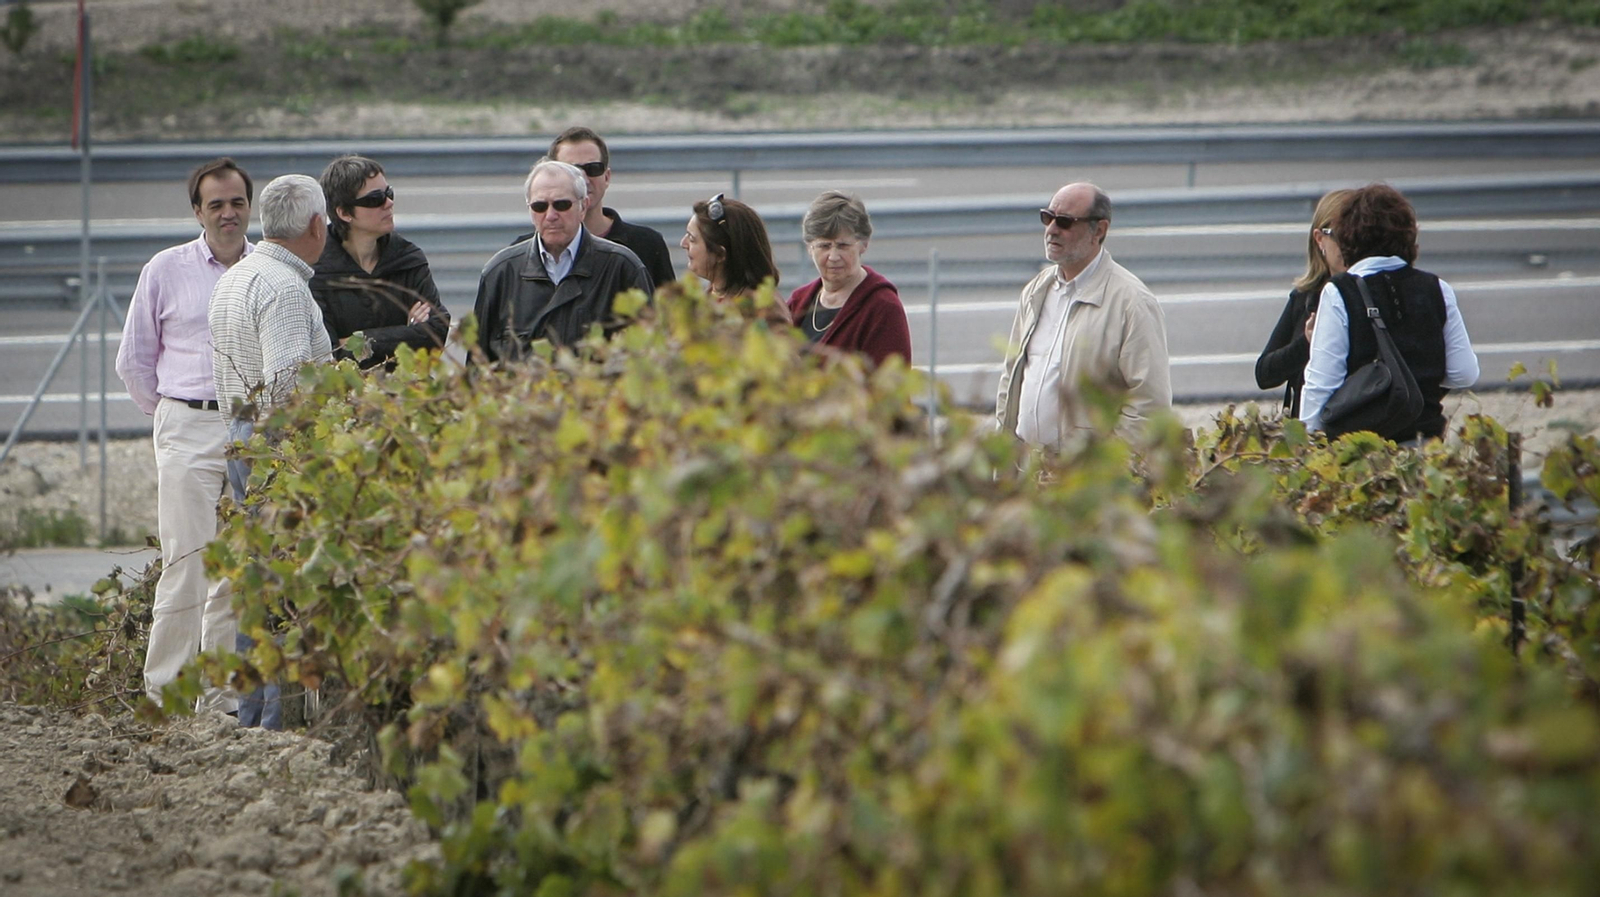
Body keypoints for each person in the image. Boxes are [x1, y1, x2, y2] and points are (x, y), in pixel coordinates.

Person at [115, 157, 254, 716]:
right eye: (216, 204)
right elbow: (134, 361)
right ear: (198, 211)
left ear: (250, 206)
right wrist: (174, 416)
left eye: (237, 202)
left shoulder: (265, 270)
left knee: (236, 574)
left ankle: (219, 709)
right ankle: (167, 702)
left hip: (248, 427)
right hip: (187, 424)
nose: (228, 213)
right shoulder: (166, 269)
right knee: (186, 565)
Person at [209, 173, 336, 729]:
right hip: (277, 449)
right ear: (315, 225)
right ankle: (275, 725)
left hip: (240, 439)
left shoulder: (237, 277)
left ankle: (253, 713)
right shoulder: (284, 289)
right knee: (283, 588)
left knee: (256, 584)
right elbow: (286, 386)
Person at [994, 182, 1172, 446]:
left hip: (1084, 481)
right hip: (1027, 472)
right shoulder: (1036, 291)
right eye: (1047, 218)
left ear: (1099, 230)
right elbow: (1012, 378)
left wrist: (1099, 472)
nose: (1051, 230)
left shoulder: (1132, 302)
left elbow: (1150, 406)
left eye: (1065, 222)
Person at [1300, 183, 1479, 442]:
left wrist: (1307, 445)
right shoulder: (1436, 288)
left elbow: (1322, 383)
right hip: (1425, 442)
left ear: (1349, 237)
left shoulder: (1340, 292)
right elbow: (1464, 372)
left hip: (1363, 447)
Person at [475, 160, 654, 362]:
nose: (551, 216)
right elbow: (477, 367)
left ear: (583, 206)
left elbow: (649, 358)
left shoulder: (622, 268)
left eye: (562, 205)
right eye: (540, 206)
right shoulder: (500, 273)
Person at [311, 154, 448, 369]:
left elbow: (437, 332)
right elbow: (328, 353)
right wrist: (407, 331)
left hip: (408, 391)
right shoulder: (317, 270)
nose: (389, 203)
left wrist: (358, 340)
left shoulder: (407, 257)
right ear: (344, 213)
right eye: (376, 199)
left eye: (389, 193)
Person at [510, 127, 676, 290]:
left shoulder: (646, 244)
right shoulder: (521, 255)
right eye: (572, 170)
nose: (583, 179)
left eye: (593, 169)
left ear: (607, 177)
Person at [1255, 189, 1353, 417]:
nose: (1350, 245)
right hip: (1310, 433)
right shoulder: (1306, 297)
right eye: (1342, 235)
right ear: (1320, 239)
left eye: (1358, 235)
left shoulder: (1378, 292)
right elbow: (1265, 374)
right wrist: (1306, 343)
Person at [785, 190, 910, 366]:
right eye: (824, 246)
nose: (833, 256)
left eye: (842, 245)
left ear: (864, 244)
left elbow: (892, 388)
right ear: (809, 248)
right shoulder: (797, 303)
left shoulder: (882, 308)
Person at [681, 192, 790, 324]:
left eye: (692, 239)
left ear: (720, 254)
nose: (683, 244)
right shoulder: (711, 296)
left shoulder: (763, 312)